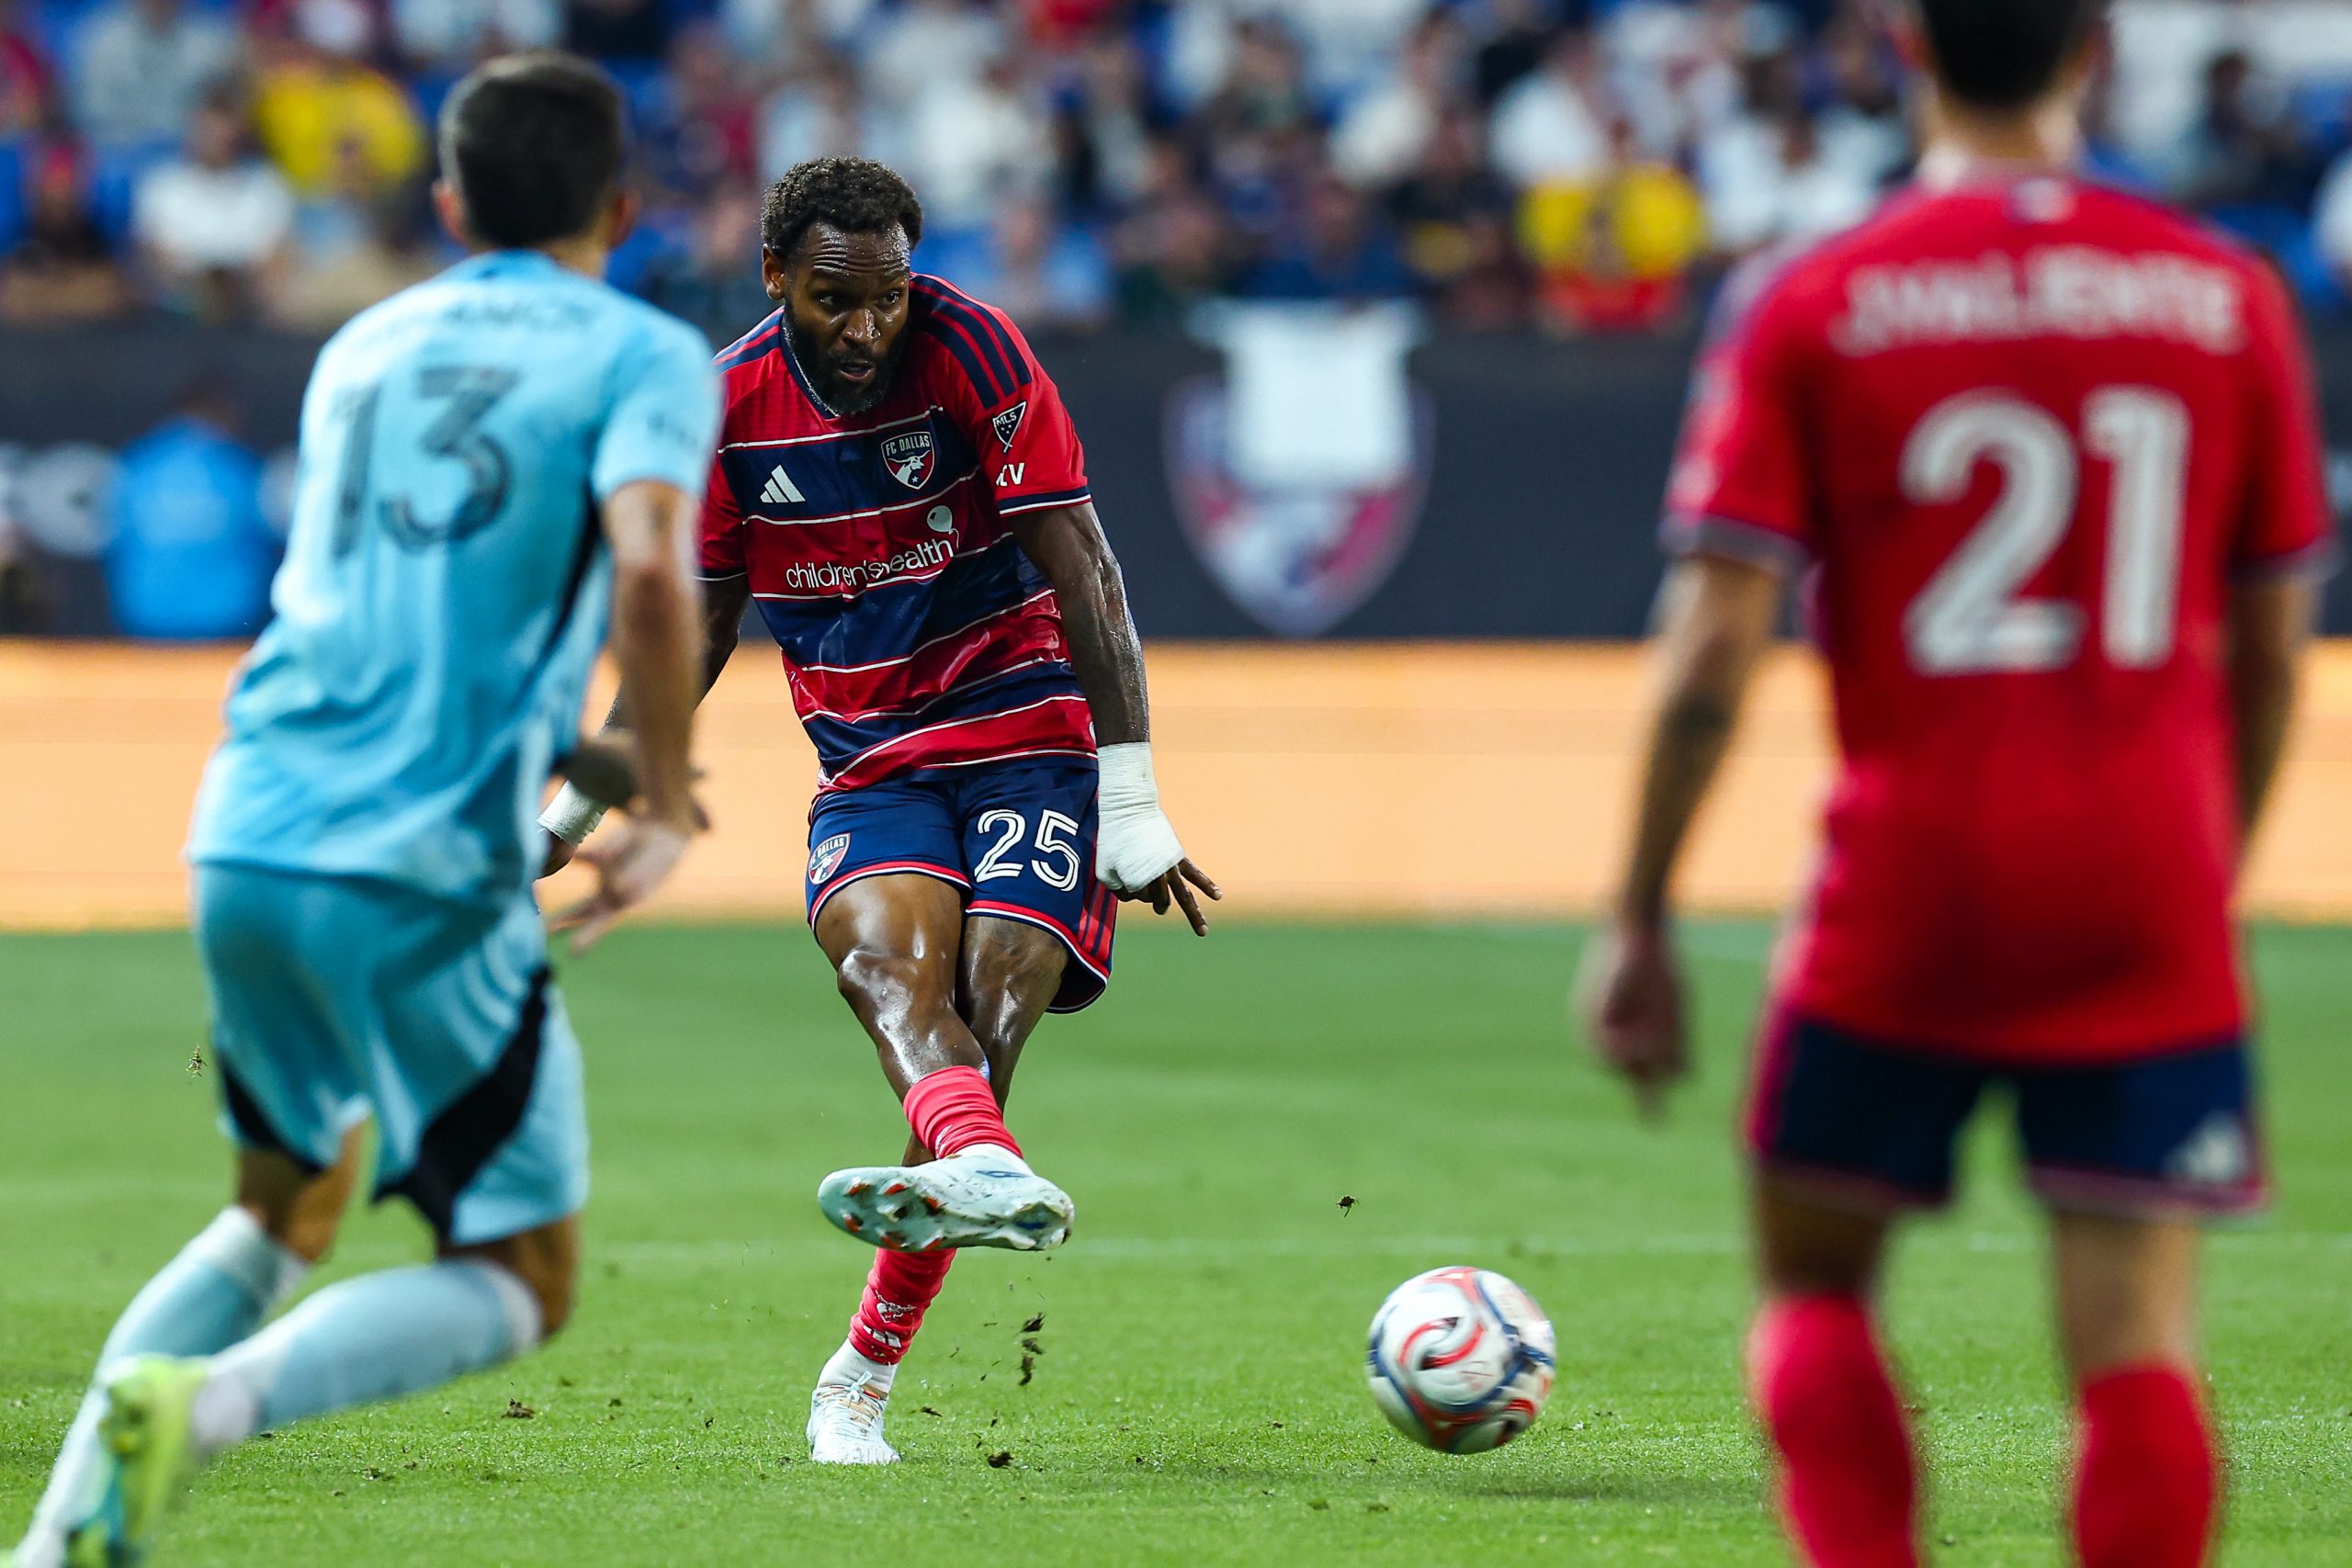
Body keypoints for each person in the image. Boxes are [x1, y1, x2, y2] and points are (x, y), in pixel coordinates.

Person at [1577, 2, 2330, 1564]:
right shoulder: (2223, 295)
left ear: (1909, 50)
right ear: (2093, 50)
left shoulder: (1816, 297)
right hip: (2144, 883)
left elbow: (1710, 659)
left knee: (1813, 1283)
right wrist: (2207, 865)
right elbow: (2274, 655)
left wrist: (1637, 915)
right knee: (2134, 1345)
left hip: (1908, 874)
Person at [9, 51, 719, 1567]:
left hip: (251, 820)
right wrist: (655, 793)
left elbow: (418, 618)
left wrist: (588, 763)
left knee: (282, 1209)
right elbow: (656, 571)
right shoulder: (643, 353)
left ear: (452, 201)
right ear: (626, 203)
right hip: (423, 857)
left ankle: (62, 1544)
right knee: (521, 1272)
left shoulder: (364, 344)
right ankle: (197, 1412)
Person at [538, 153, 1217, 1467]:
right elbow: (701, 625)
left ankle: (862, 1370)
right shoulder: (725, 408)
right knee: (883, 974)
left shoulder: (973, 348)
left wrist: (1132, 796)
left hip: (1028, 724)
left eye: (887, 301)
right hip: (874, 756)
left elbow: (1088, 570)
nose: (865, 331)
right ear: (775, 275)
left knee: (999, 992)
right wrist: (572, 813)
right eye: (836, 302)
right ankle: (978, 1182)